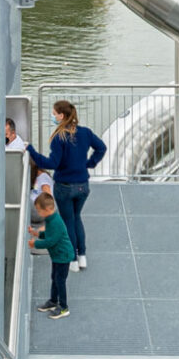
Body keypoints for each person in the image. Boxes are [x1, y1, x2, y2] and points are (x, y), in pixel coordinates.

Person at [29, 101, 107, 270]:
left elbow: (52, 163)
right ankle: (82, 256)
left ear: (61, 116)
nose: (53, 116)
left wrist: (32, 151)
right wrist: (90, 163)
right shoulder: (85, 133)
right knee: (77, 218)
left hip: (64, 186)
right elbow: (101, 148)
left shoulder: (59, 138)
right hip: (83, 185)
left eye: (54, 113)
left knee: (68, 221)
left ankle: (71, 260)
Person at [29, 191, 75, 317]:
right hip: (57, 256)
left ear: (48, 209)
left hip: (63, 256)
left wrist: (35, 244)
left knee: (60, 281)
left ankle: (64, 307)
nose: (38, 212)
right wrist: (36, 233)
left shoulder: (55, 222)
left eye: (39, 210)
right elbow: (49, 235)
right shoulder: (50, 220)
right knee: (54, 278)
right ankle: (53, 301)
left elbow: (50, 241)